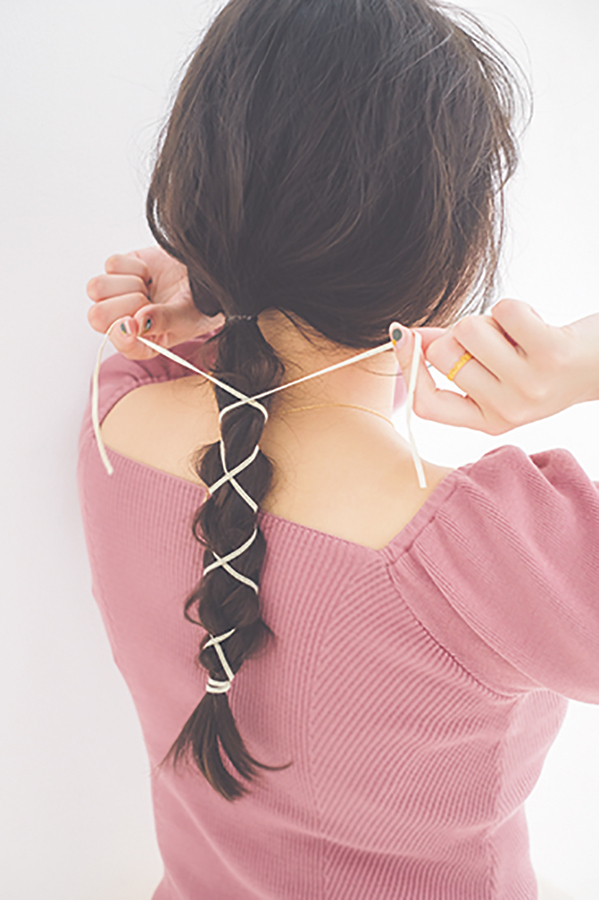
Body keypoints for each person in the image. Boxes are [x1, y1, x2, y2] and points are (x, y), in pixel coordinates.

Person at [77, 0, 599, 897]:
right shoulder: (501, 556)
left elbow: (244, 362)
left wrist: (204, 287)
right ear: (450, 253)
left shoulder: (115, 415)